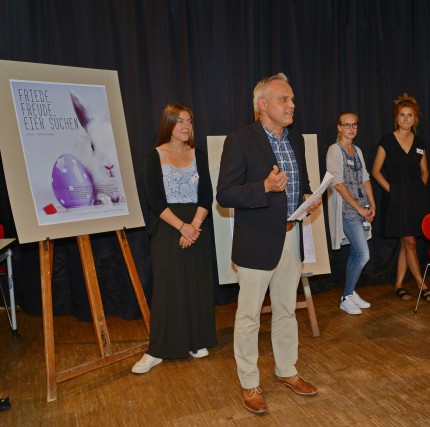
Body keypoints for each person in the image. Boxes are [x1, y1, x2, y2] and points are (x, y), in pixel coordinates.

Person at [216, 73, 321, 415]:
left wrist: (308, 196)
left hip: (291, 236)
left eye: (292, 100)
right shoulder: (240, 140)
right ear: (263, 105)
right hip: (256, 242)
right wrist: (263, 186)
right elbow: (225, 194)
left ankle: (286, 370)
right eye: (284, 100)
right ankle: (250, 383)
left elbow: (301, 182)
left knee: (287, 311)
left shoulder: (298, 140)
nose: (292, 105)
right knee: (248, 317)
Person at [132, 103, 217, 374]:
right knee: (168, 287)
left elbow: (206, 196)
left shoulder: (199, 154)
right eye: (180, 121)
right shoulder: (153, 156)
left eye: (189, 121)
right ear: (168, 124)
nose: (186, 126)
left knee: (195, 283)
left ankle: (196, 340)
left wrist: (194, 226)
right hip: (168, 226)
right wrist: (182, 227)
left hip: (197, 224)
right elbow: (155, 201)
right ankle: (157, 350)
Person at [372, 93, 430, 302]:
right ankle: (422, 284)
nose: (406, 119)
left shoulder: (419, 142)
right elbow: (375, 171)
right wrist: (392, 190)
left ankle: (399, 285)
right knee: (409, 241)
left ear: (415, 118)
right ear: (396, 117)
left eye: (410, 115)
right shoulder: (387, 141)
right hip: (395, 200)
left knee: (405, 242)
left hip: (415, 200)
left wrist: (417, 190)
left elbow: (425, 172)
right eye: (402, 115)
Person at [326, 111, 375, 315]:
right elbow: (337, 183)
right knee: (363, 255)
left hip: (362, 208)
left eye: (354, 124)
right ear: (339, 127)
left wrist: (372, 204)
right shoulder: (334, 151)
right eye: (346, 125)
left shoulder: (357, 150)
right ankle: (346, 297)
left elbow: (365, 177)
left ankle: (350, 292)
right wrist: (359, 209)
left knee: (356, 253)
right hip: (347, 210)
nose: (351, 128)